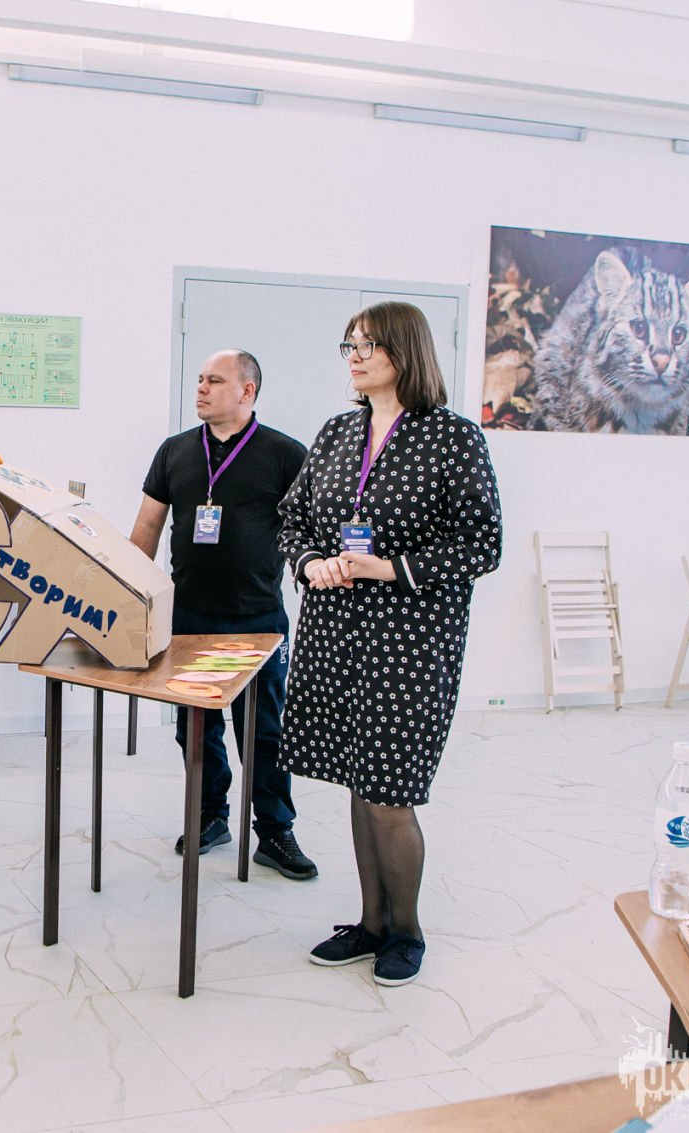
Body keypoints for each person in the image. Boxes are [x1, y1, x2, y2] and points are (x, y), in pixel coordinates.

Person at [277, 301, 502, 986]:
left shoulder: (452, 437)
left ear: (405, 351)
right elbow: (292, 518)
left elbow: (481, 544)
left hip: (409, 643)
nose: (354, 355)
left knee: (389, 789)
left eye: (368, 344)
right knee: (360, 779)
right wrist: (311, 562)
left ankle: (406, 931)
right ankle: (371, 923)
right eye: (349, 344)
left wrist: (389, 567)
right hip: (335, 633)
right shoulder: (337, 431)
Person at [131, 349, 317, 881]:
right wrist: (127, 593)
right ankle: (210, 815)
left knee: (264, 730)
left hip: (257, 618)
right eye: (199, 379)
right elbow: (147, 527)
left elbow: (310, 529)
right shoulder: (174, 452)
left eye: (214, 380)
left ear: (247, 391)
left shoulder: (285, 454)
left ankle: (275, 831)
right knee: (196, 727)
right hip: (189, 616)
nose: (202, 388)